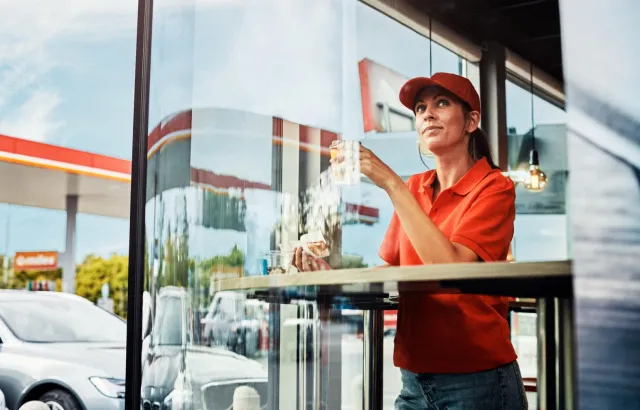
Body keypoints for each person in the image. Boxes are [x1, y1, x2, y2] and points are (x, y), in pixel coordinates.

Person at [293, 72, 527, 409]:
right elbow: (392, 270)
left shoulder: (494, 188)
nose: (427, 114)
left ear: (471, 121)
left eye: (441, 103)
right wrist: (328, 274)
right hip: (414, 380)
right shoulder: (416, 187)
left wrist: (389, 181)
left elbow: (450, 269)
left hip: (477, 379)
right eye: (420, 108)